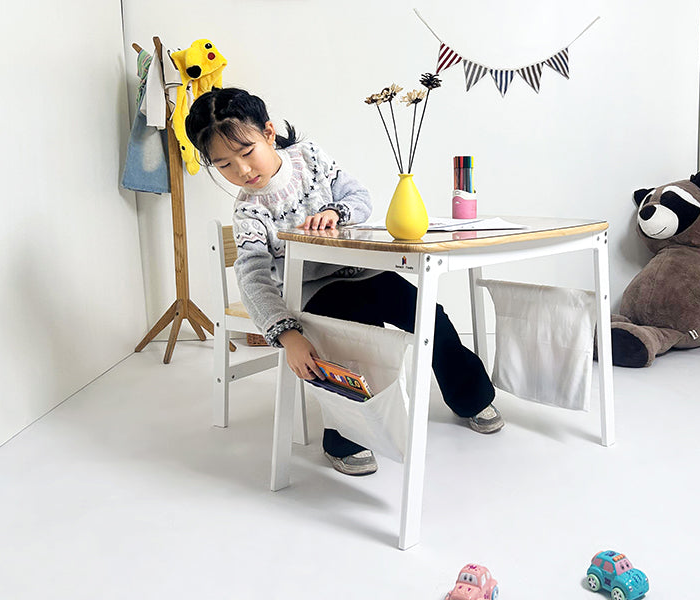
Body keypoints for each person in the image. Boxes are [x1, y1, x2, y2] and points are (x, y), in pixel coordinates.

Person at [185, 88, 502, 476]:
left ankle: (471, 396)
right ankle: (345, 439)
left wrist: (337, 210)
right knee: (357, 347)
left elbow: (359, 195)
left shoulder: (311, 158)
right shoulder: (250, 211)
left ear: (268, 133)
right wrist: (287, 334)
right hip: (316, 291)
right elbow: (252, 277)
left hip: (367, 271)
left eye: (247, 152)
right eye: (225, 165)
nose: (243, 171)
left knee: (430, 317)